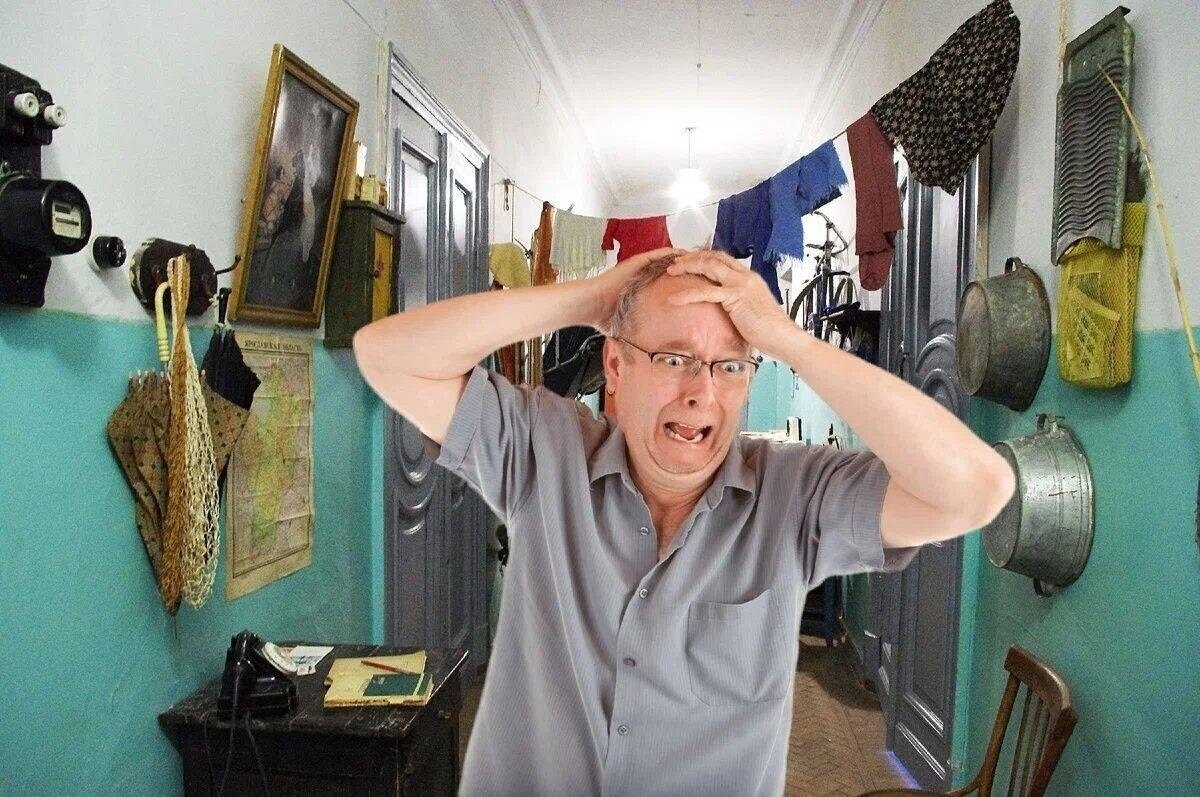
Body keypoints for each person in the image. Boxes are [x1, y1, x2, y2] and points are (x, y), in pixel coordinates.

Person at [353, 247, 1015, 796]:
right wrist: (591, 298)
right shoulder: (543, 451)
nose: (701, 391)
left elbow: (977, 489)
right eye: (673, 358)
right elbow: (385, 354)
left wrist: (789, 341)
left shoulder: (793, 495)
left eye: (730, 366)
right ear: (616, 366)